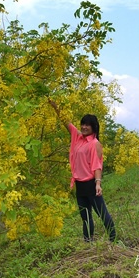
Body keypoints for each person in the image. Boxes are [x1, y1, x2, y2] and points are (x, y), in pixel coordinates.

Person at [48, 99, 116, 243]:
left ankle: (113, 239)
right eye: (83, 124)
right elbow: (66, 122)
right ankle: (88, 241)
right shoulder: (77, 137)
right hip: (80, 184)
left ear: (94, 127)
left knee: (102, 214)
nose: (84, 127)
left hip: (91, 184)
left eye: (88, 125)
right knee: (85, 216)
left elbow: (97, 165)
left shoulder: (95, 144)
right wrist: (56, 107)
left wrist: (98, 184)